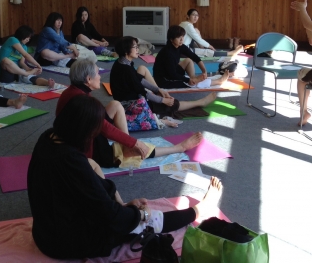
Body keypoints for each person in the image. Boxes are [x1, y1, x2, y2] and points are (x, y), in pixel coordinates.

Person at [28, 94, 224, 260]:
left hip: (44, 232)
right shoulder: (71, 162)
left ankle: (131, 211)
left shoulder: (48, 138)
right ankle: (199, 210)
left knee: (99, 179)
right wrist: (140, 215)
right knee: (149, 221)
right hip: (63, 243)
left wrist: (123, 205)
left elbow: (87, 191)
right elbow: (110, 216)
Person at [56, 59, 203, 167]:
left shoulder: (73, 92)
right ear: (88, 79)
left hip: (82, 133)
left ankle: (126, 146)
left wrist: (129, 141)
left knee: (115, 105)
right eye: (97, 73)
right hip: (85, 148)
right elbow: (105, 128)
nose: (100, 76)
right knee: (137, 150)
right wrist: (134, 143)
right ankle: (179, 148)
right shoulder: (82, 102)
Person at [110, 36, 218, 131]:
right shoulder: (126, 69)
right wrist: (163, 100)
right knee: (172, 104)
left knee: (163, 98)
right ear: (126, 51)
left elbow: (139, 80)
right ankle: (200, 102)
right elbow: (143, 92)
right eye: (135, 47)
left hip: (129, 98)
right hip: (130, 105)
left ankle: (162, 101)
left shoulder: (123, 63)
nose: (138, 49)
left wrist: (158, 90)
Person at [154, 25, 229, 89]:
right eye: (179, 37)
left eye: (182, 37)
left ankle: (194, 79)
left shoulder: (180, 46)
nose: (182, 39)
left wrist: (204, 71)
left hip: (171, 72)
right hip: (164, 80)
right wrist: (187, 80)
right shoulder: (167, 52)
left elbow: (194, 57)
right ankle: (219, 81)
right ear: (171, 39)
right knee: (187, 82)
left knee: (188, 60)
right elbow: (172, 74)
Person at [179, 9, 243, 57]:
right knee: (207, 52)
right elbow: (198, 39)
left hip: (183, 47)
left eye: (197, 15)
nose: (195, 17)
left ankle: (203, 50)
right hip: (183, 50)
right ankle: (231, 53)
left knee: (196, 30)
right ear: (188, 16)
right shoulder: (188, 25)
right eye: (193, 15)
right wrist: (210, 46)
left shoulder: (183, 23)